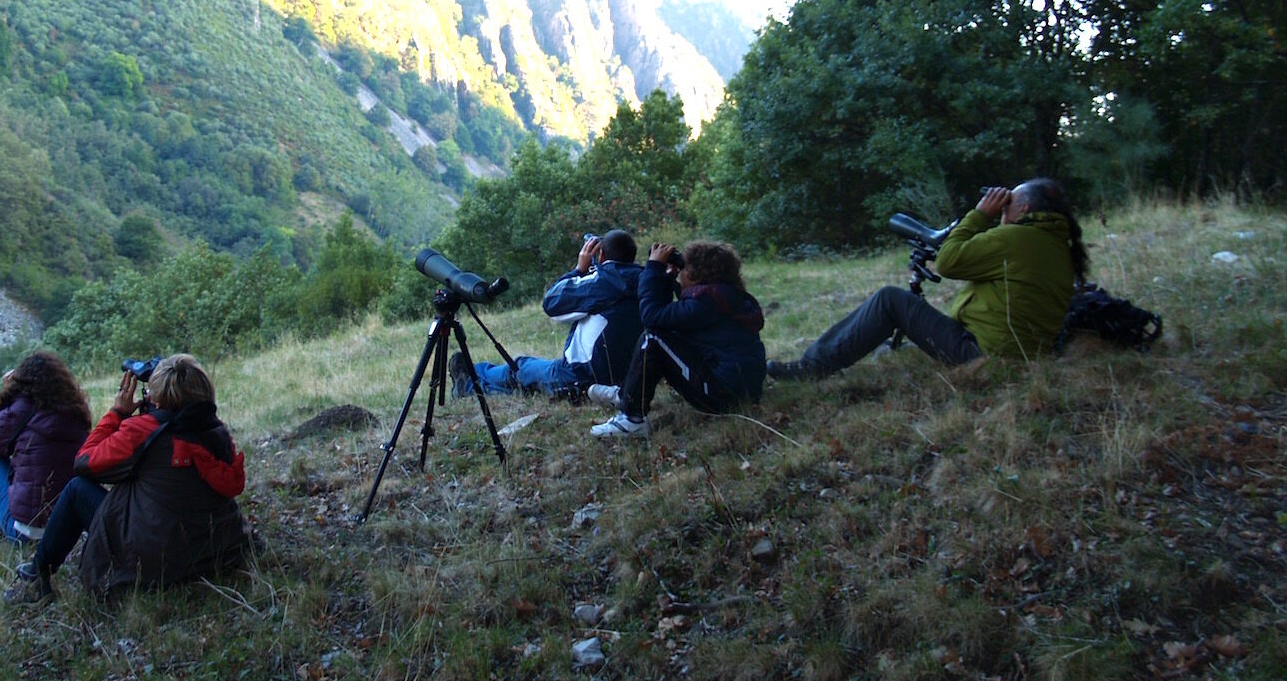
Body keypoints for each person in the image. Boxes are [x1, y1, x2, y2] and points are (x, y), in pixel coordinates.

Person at [767, 178, 1088, 380]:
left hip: (985, 357)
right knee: (904, 309)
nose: (1003, 215)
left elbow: (947, 262)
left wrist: (980, 215)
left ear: (1025, 208)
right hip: (1021, 355)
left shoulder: (1017, 239)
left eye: (1008, 207)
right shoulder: (1059, 247)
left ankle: (811, 369)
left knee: (890, 300)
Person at [4, 353, 254, 605]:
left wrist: (117, 413)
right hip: (215, 547)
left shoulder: (144, 431)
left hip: (157, 557)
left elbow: (84, 462)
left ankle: (36, 579)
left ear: (157, 395)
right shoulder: (216, 430)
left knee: (76, 490)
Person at [588, 240, 767, 438]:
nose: (681, 272)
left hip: (723, 396)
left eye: (684, 268)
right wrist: (666, 279)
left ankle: (633, 419)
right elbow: (665, 320)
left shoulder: (707, 303)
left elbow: (651, 317)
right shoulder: (721, 296)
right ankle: (625, 395)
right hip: (738, 390)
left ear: (697, 274)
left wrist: (654, 268)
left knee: (653, 340)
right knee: (662, 335)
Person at [451, 229, 644, 400]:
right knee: (528, 378)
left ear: (601, 255)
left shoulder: (602, 283)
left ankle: (470, 381)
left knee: (520, 368)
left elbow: (552, 302)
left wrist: (579, 270)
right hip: (624, 377)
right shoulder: (646, 283)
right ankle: (473, 381)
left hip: (579, 376)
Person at [0, 351, 91, 559]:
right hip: (67, 531)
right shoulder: (75, 411)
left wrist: (9, 399)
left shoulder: (22, 407)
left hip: (26, 534)